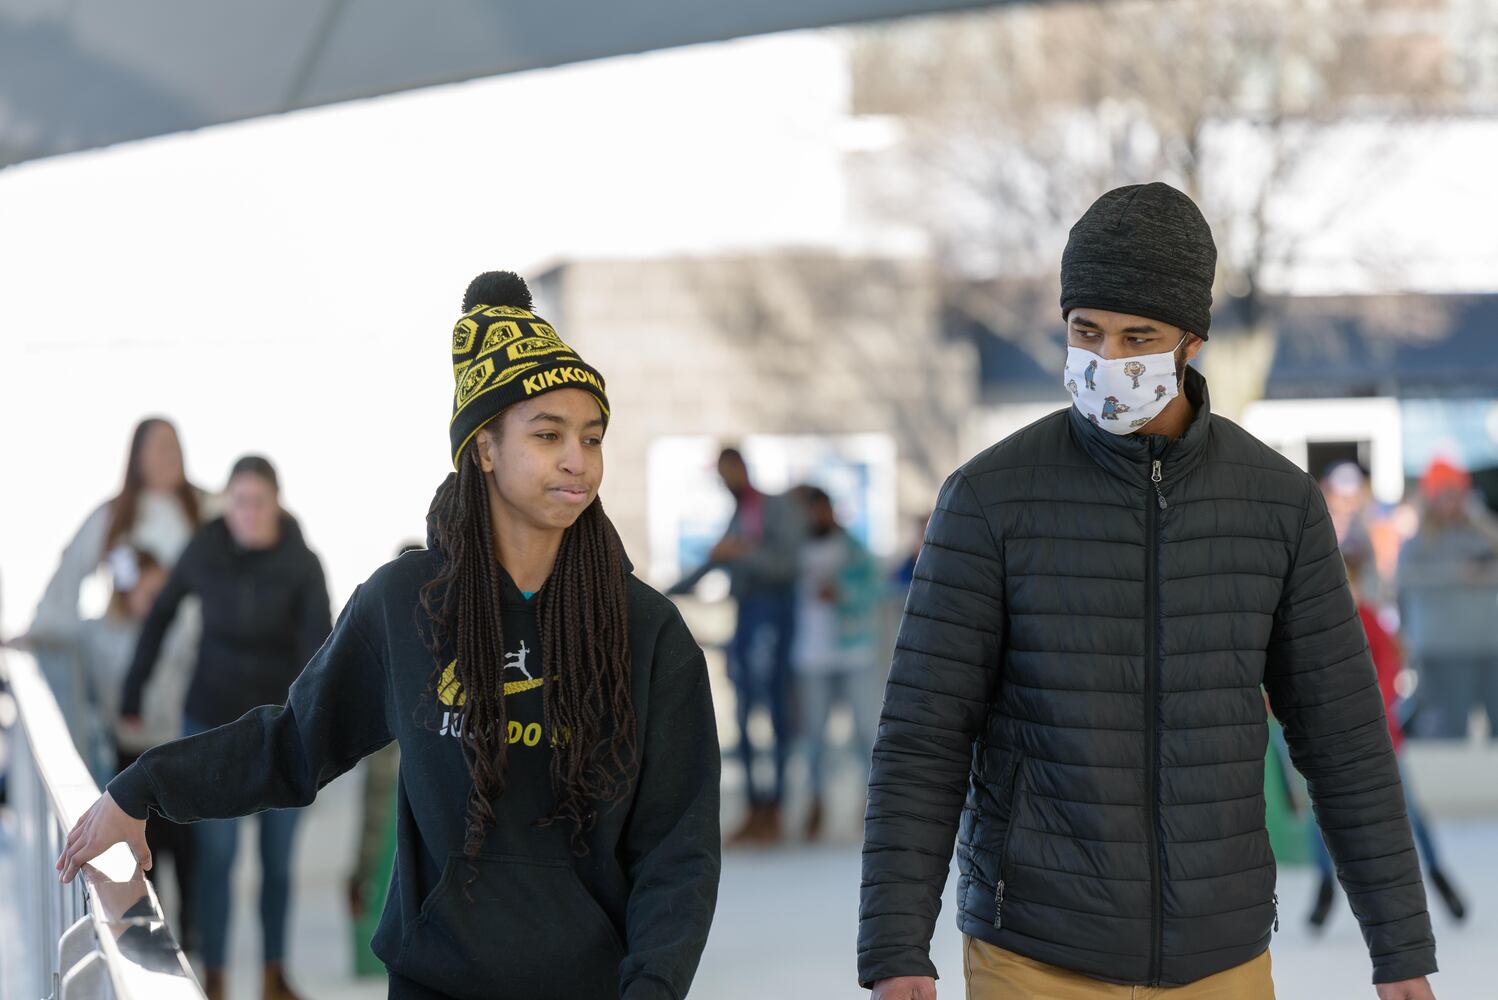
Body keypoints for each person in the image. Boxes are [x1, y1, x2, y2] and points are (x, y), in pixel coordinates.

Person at [60, 271, 721, 1000]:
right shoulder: (407, 605)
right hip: (434, 983)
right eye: (548, 434)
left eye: (592, 437)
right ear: (484, 450)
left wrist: (654, 987)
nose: (578, 459)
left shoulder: (646, 631)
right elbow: (294, 744)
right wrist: (142, 787)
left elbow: (678, 847)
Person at [858, 183, 1438, 1000]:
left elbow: (1341, 733)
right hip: (1035, 951)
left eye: (1138, 337)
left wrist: (1399, 945)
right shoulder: (988, 498)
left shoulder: (1275, 502)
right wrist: (894, 946)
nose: (1106, 360)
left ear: (1188, 343)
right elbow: (923, 736)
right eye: (1085, 332)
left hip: (1222, 953)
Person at [113, 454, 329, 1000]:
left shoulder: (301, 563)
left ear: (276, 504)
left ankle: (275, 976)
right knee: (218, 860)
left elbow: (322, 654)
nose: (248, 513)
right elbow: (160, 615)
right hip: (210, 721)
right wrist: (133, 691)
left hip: (282, 731)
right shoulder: (205, 548)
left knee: (277, 865)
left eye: (258, 502)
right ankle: (216, 980)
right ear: (225, 502)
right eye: (238, 501)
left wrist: (318, 733)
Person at [1307, 553, 1466, 929]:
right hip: (1328, 741)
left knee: (1409, 813)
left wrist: (1359, 713)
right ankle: (1324, 888)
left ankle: (1440, 878)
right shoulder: (1315, 628)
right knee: (1321, 817)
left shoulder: (1371, 623)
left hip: (1377, 739)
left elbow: (1387, 677)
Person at [25, 417, 204, 741]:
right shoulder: (114, 516)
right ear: (138, 456)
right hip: (126, 657)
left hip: (188, 659)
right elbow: (67, 577)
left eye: (174, 446)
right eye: (160, 446)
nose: (170, 454)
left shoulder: (203, 511)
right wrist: (41, 632)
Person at [670, 447, 804, 844]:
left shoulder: (773, 507)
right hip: (747, 617)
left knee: (775, 711)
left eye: (730, 472)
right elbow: (714, 561)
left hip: (773, 616)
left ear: (743, 467)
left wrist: (741, 554)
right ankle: (755, 808)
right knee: (745, 711)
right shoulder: (740, 513)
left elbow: (786, 563)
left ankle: (774, 809)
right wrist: (655, 595)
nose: (727, 481)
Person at [74, 546, 198, 947]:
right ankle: (151, 946)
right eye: (148, 592)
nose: (157, 601)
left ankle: (189, 943)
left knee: (187, 859)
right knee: (143, 862)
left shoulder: (180, 628)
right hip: (129, 758)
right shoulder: (100, 635)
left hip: (176, 752)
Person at [790, 486, 880, 840]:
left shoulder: (853, 549)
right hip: (811, 655)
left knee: (864, 731)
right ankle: (816, 803)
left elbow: (874, 587)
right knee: (813, 736)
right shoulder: (795, 550)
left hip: (853, 650)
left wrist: (841, 594)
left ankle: (871, 802)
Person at [1395, 457, 1498, 741]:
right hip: (1443, 650)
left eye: (1457, 495)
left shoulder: (1483, 534)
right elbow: (1406, 585)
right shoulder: (1416, 545)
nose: (1451, 503)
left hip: (1489, 646)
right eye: (1444, 495)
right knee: (1449, 728)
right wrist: (1459, 575)